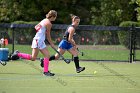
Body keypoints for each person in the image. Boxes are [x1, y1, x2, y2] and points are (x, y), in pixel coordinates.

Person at [11, 10, 57, 76]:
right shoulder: (49, 23)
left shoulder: (44, 20)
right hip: (38, 40)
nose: (55, 18)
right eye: (55, 17)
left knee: (47, 55)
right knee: (33, 58)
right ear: (52, 16)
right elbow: (48, 35)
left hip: (40, 41)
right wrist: (52, 44)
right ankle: (18, 54)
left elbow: (36, 27)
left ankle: (45, 71)